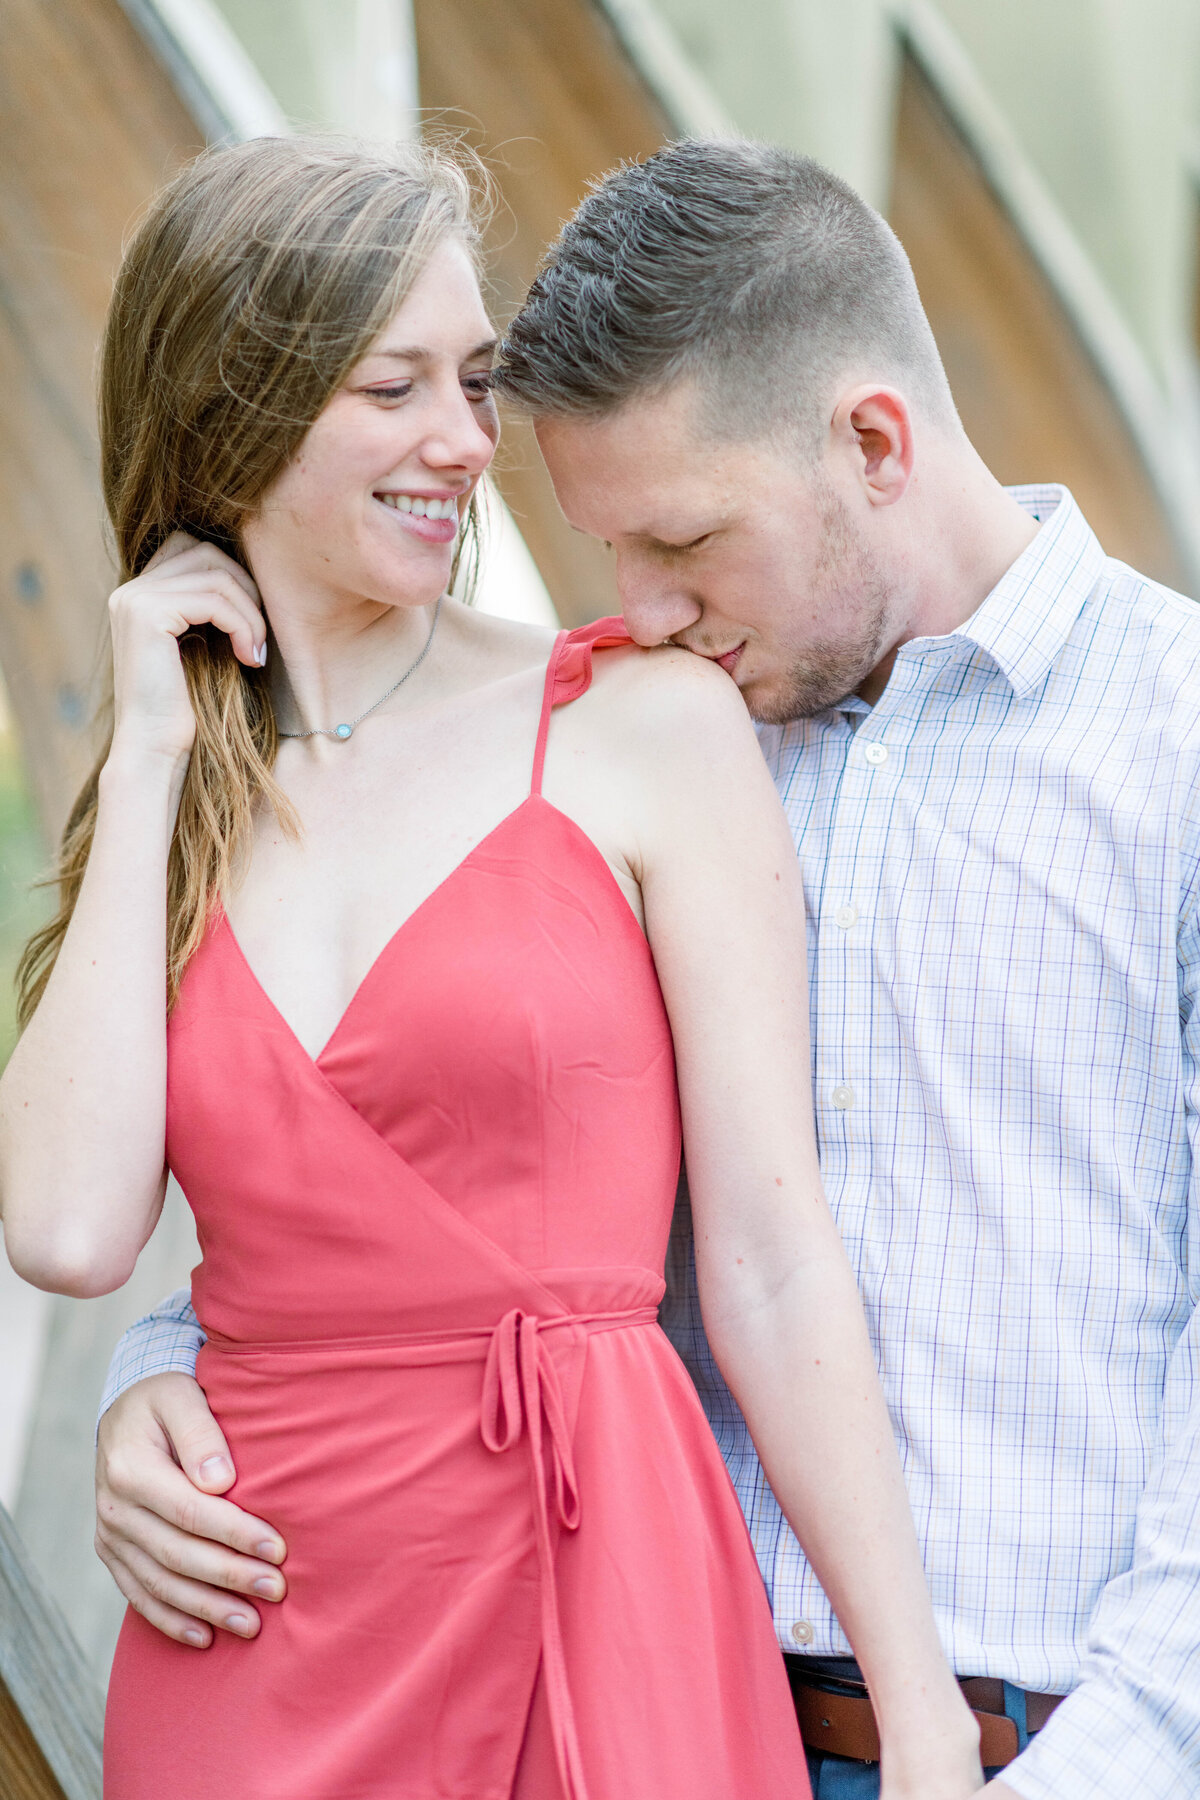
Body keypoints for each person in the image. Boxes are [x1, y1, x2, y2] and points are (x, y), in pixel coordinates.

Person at [95, 139, 1200, 1799]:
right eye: (604, 549)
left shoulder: (1173, 751)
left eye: (681, 540)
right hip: (641, 1708)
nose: (643, 608)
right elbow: (467, 1196)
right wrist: (168, 1371)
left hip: (1049, 1742)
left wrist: (1111, 1760)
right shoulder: (628, 748)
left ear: (875, 444)